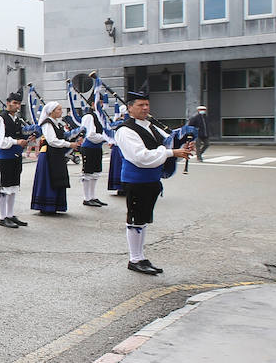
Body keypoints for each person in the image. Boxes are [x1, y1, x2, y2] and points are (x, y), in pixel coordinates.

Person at [115, 88, 193, 274]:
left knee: (142, 220)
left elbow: (168, 143)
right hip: (136, 180)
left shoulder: (150, 126)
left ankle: (140, 256)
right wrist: (172, 152)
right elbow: (140, 156)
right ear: (130, 108)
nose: (145, 108)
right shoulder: (125, 130)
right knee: (135, 220)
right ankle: (134, 259)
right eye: (140, 105)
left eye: (147, 105)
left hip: (151, 180)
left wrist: (183, 144)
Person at [30, 102, 79, 215]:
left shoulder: (57, 124)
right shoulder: (47, 124)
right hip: (48, 155)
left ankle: (56, 204)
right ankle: (46, 206)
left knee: (57, 177)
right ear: (51, 112)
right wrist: (68, 145)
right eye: (58, 109)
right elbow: (52, 140)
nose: (61, 112)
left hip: (56, 154)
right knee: (49, 179)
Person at [0, 91, 31, 229]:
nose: (17, 106)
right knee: (3, 187)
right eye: (14, 103)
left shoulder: (17, 119)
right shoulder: (0, 119)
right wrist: (15, 141)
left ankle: (10, 214)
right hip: (5, 157)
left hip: (16, 156)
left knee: (13, 187)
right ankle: (2, 217)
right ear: (8, 103)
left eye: (19, 103)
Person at [77, 106, 109, 207]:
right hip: (89, 147)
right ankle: (87, 198)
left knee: (95, 173)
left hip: (97, 147)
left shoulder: (99, 116)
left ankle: (93, 196)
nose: (102, 104)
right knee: (88, 173)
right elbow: (90, 135)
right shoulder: (89, 116)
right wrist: (105, 138)